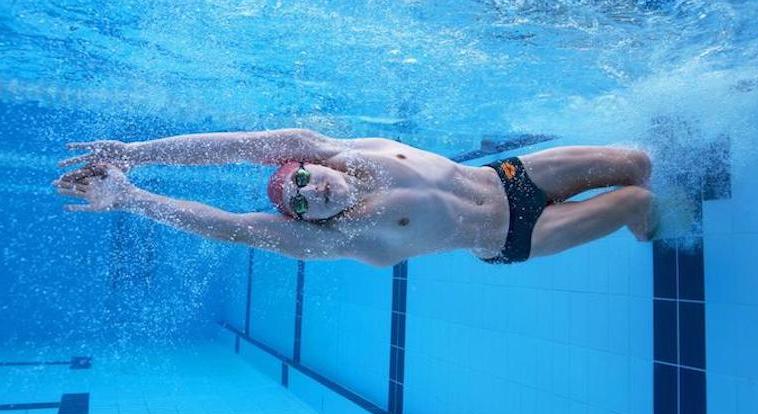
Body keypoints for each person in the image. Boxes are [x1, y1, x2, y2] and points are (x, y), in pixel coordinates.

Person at [54, 129, 654, 267]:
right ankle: (650, 226)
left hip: (508, 177)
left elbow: (234, 144)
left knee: (635, 163)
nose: (313, 192)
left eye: (304, 178)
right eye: (302, 202)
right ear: (302, 220)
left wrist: (137, 152)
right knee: (634, 203)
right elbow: (227, 224)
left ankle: (632, 202)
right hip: (511, 238)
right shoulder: (338, 236)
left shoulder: (336, 148)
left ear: (309, 161)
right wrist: (132, 197)